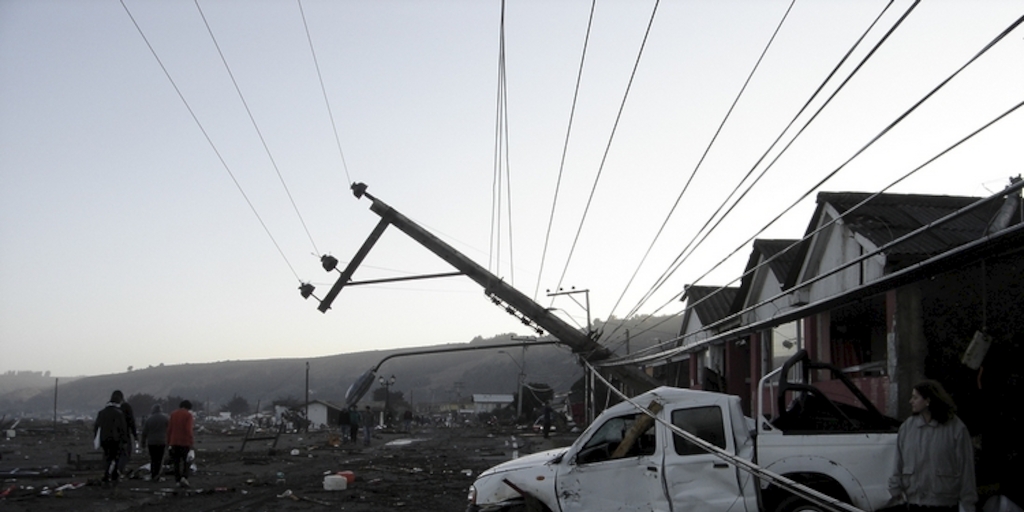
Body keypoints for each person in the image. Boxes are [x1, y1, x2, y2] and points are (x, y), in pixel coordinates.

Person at [889, 380, 977, 512]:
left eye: (915, 397)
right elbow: (899, 461)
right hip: (914, 501)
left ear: (928, 400)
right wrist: (895, 488)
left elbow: (965, 467)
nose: (910, 401)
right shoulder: (908, 427)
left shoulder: (955, 428)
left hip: (944, 503)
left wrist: (968, 503)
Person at [93, 391, 129, 486]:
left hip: (104, 439)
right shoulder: (119, 413)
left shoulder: (101, 413)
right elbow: (122, 428)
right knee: (116, 457)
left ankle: (106, 475)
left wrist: (96, 439)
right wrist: (124, 440)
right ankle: (113, 475)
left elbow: (96, 427)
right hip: (116, 439)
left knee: (107, 456)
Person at [166, 400, 195, 488]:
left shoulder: (173, 414)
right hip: (185, 442)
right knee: (187, 461)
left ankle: (177, 480)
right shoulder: (188, 415)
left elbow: (169, 429)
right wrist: (191, 441)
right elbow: (188, 429)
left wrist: (168, 442)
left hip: (174, 441)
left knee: (176, 462)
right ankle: (184, 477)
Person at [140, 404, 169, 481]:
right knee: (160, 459)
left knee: (153, 459)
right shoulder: (165, 418)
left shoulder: (149, 419)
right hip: (162, 441)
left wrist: (143, 443)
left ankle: (153, 474)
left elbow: (144, 432)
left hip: (151, 442)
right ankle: (157, 475)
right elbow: (170, 430)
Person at [117, 395, 138, 477]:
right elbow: (132, 422)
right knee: (126, 454)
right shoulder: (127, 408)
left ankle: (117, 470)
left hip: (115, 435)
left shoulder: (116, 410)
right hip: (125, 435)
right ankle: (120, 470)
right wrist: (135, 435)